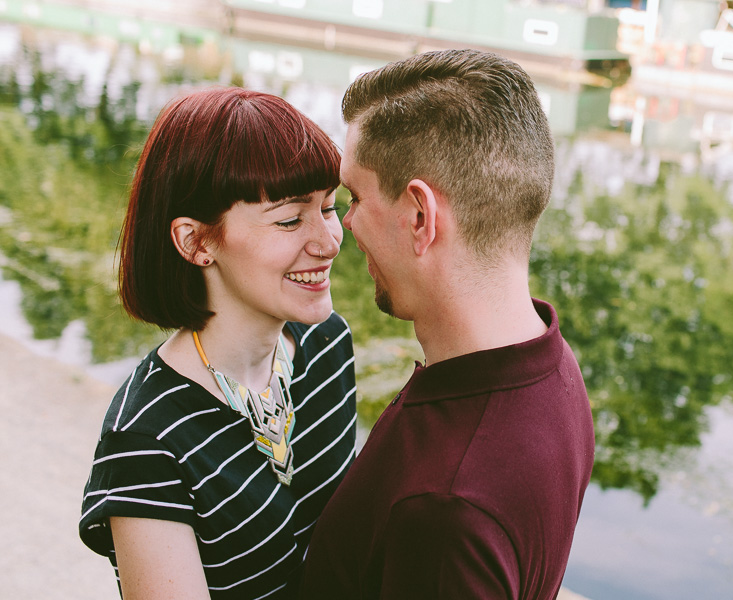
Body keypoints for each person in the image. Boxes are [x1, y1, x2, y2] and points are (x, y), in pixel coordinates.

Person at [299, 49, 595, 599]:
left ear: (419, 217)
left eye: (355, 198)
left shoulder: (445, 510)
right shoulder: (552, 366)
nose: (344, 227)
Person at [78, 87, 357, 599]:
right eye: (291, 218)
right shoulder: (146, 437)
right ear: (196, 242)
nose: (328, 241)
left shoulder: (328, 345)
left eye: (330, 207)